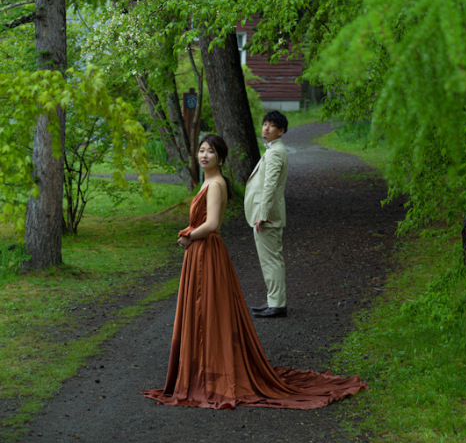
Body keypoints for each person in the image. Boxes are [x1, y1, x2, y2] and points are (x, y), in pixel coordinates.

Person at [141, 133, 365, 409]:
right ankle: (203, 369)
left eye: (210, 152)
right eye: (201, 151)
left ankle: (209, 375)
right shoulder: (208, 182)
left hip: (205, 251)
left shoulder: (216, 185)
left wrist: (188, 235)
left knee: (208, 310)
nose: (204, 155)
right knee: (204, 312)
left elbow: (212, 224)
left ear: (221, 158)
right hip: (200, 252)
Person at [244, 110, 289, 318]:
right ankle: (274, 300)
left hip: (268, 217)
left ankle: (277, 304)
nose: (266, 128)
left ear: (281, 131)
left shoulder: (276, 152)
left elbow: (270, 186)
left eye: (271, 126)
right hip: (268, 215)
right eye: (265, 124)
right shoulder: (273, 150)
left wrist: (262, 214)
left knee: (271, 260)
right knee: (271, 259)